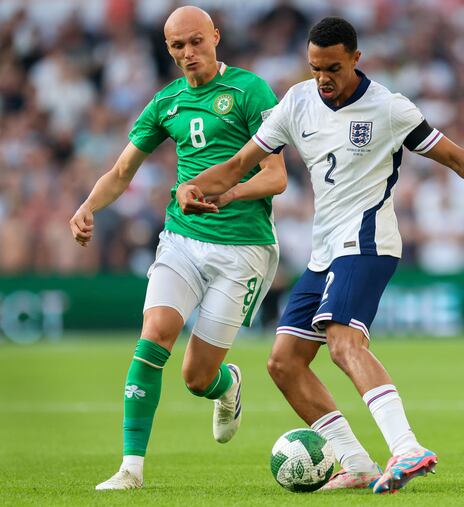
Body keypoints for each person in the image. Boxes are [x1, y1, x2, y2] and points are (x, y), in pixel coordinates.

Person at [176, 16, 464, 494]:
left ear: (357, 59)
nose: (323, 79)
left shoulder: (389, 109)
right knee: (284, 363)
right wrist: (191, 188)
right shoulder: (296, 102)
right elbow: (237, 165)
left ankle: (407, 447)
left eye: (333, 68)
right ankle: (356, 464)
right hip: (324, 252)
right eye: (315, 67)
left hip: (369, 241)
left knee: (342, 343)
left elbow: (460, 159)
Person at [68, 6, 288, 490]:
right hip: (182, 240)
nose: (188, 54)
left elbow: (276, 177)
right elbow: (123, 171)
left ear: (215, 36)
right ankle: (131, 468)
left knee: (195, 377)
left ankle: (225, 385)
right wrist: (88, 206)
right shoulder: (165, 102)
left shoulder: (251, 91)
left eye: (195, 42)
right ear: (168, 50)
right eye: (177, 47)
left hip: (243, 248)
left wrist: (222, 193)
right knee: (156, 333)